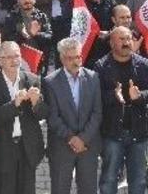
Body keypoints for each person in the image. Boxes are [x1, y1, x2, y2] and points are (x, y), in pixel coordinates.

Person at [93, 27, 148, 194]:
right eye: (122, 39)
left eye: (128, 38)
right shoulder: (100, 66)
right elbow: (95, 98)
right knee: (109, 179)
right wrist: (113, 96)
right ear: (112, 43)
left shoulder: (143, 64)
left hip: (138, 131)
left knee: (138, 180)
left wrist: (139, 96)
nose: (127, 42)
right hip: (112, 132)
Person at [0, 41, 47, 194]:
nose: (14, 60)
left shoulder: (32, 79)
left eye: (17, 56)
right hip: (2, 150)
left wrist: (37, 103)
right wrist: (14, 104)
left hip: (27, 149)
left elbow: (43, 114)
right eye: (8, 57)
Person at [42, 37, 101, 194]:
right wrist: (72, 138)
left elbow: (97, 113)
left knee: (88, 189)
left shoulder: (93, 77)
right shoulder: (50, 82)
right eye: (70, 58)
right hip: (62, 147)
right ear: (61, 58)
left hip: (88, 146)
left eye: (78, 57)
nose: (76, 62)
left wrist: (83, 138)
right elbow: (52, 117)